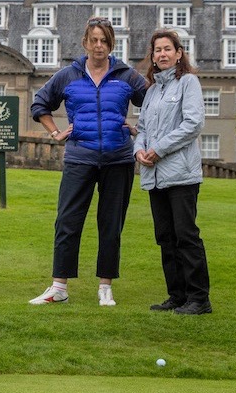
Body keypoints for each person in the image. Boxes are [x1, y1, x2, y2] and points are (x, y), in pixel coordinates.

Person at [28, 17, 148, 307]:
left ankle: (105, 287)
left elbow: (155, 102)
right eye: (94, 40)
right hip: (79, 157)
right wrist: (55, 132)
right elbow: (39, 104)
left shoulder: (126, 75)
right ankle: (59, 287)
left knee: (111, 223)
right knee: (67, 221)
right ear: (85, 42)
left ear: (111, 44)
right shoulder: (68, 75)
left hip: (118, 159)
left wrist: (139, 128)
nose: (99, 46)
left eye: (104, 40)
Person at [135, 29, 210, 315]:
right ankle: (177, 296)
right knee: (165, 238)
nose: (162, 54)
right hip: (154, 176)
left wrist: (158, 149)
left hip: (181, 175)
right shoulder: (152, 91)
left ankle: (199, 298)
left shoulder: (188, 83)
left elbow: (193, 124)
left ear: (179, 53)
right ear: (152, 56)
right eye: (157, 50)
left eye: (168, 49)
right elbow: (142, 129)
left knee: (186, 236)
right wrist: (139, 151)